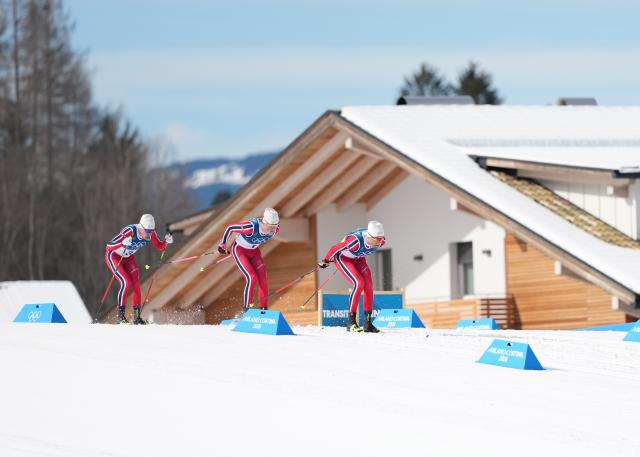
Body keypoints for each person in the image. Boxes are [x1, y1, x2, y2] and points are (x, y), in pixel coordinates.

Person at [105, 214, 173, 324]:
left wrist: (166, 242)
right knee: (125, 282)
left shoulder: (151, 233)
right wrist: (122, 243)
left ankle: (137, 318)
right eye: (147, 231)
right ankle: (121, 317)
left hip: (128, 258)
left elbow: (159, 246)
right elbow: (109, 246)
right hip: (114, 256)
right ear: (141, 228)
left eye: (152, 231)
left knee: (136, 284)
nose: (149, 234)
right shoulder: (130, 230)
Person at [319, 221, 386, 333]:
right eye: (376, 239)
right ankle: (351, 322)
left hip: (358, 258)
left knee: (368, 285)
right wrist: (326, 261)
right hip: (343, 258)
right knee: (359, 282)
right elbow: (334, 249)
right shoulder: (356, 241)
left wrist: (377, 240)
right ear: (369, 236)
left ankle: (368, 324)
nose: (379, 242)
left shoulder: (381, 241)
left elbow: (368, 247)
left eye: (380, 239)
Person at [218, 208, 280, 312]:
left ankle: (264, 311)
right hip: (239, 251)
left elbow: (273, 228)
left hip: (254, 252)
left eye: (275, 227)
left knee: (263, 279)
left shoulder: (275, 229)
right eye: (271, 227)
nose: (273, 229)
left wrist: (274, 227)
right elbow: (230, 228)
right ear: (264, 223)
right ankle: (247, 310)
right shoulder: (251, 227)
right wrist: (223, 244)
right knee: (251, 278)